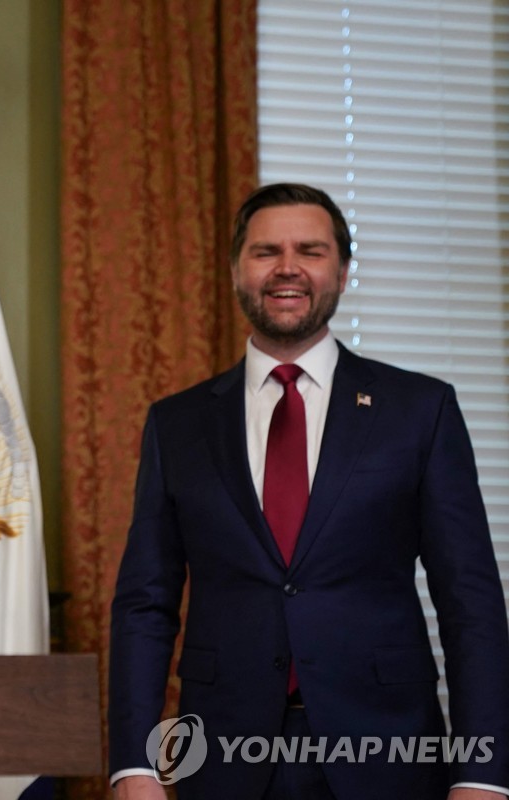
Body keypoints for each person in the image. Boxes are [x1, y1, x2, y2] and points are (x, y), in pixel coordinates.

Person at [108, 183, 509, 800]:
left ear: (343, 272)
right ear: (237, 270)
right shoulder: (176, 424)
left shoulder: (419, 410)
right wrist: (133, 765)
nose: (287, 268)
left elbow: (471, 602)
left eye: (311, 251)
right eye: (266, 251)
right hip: (222, 757)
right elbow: (145, 603)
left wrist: (483, 772)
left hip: (389, 753)